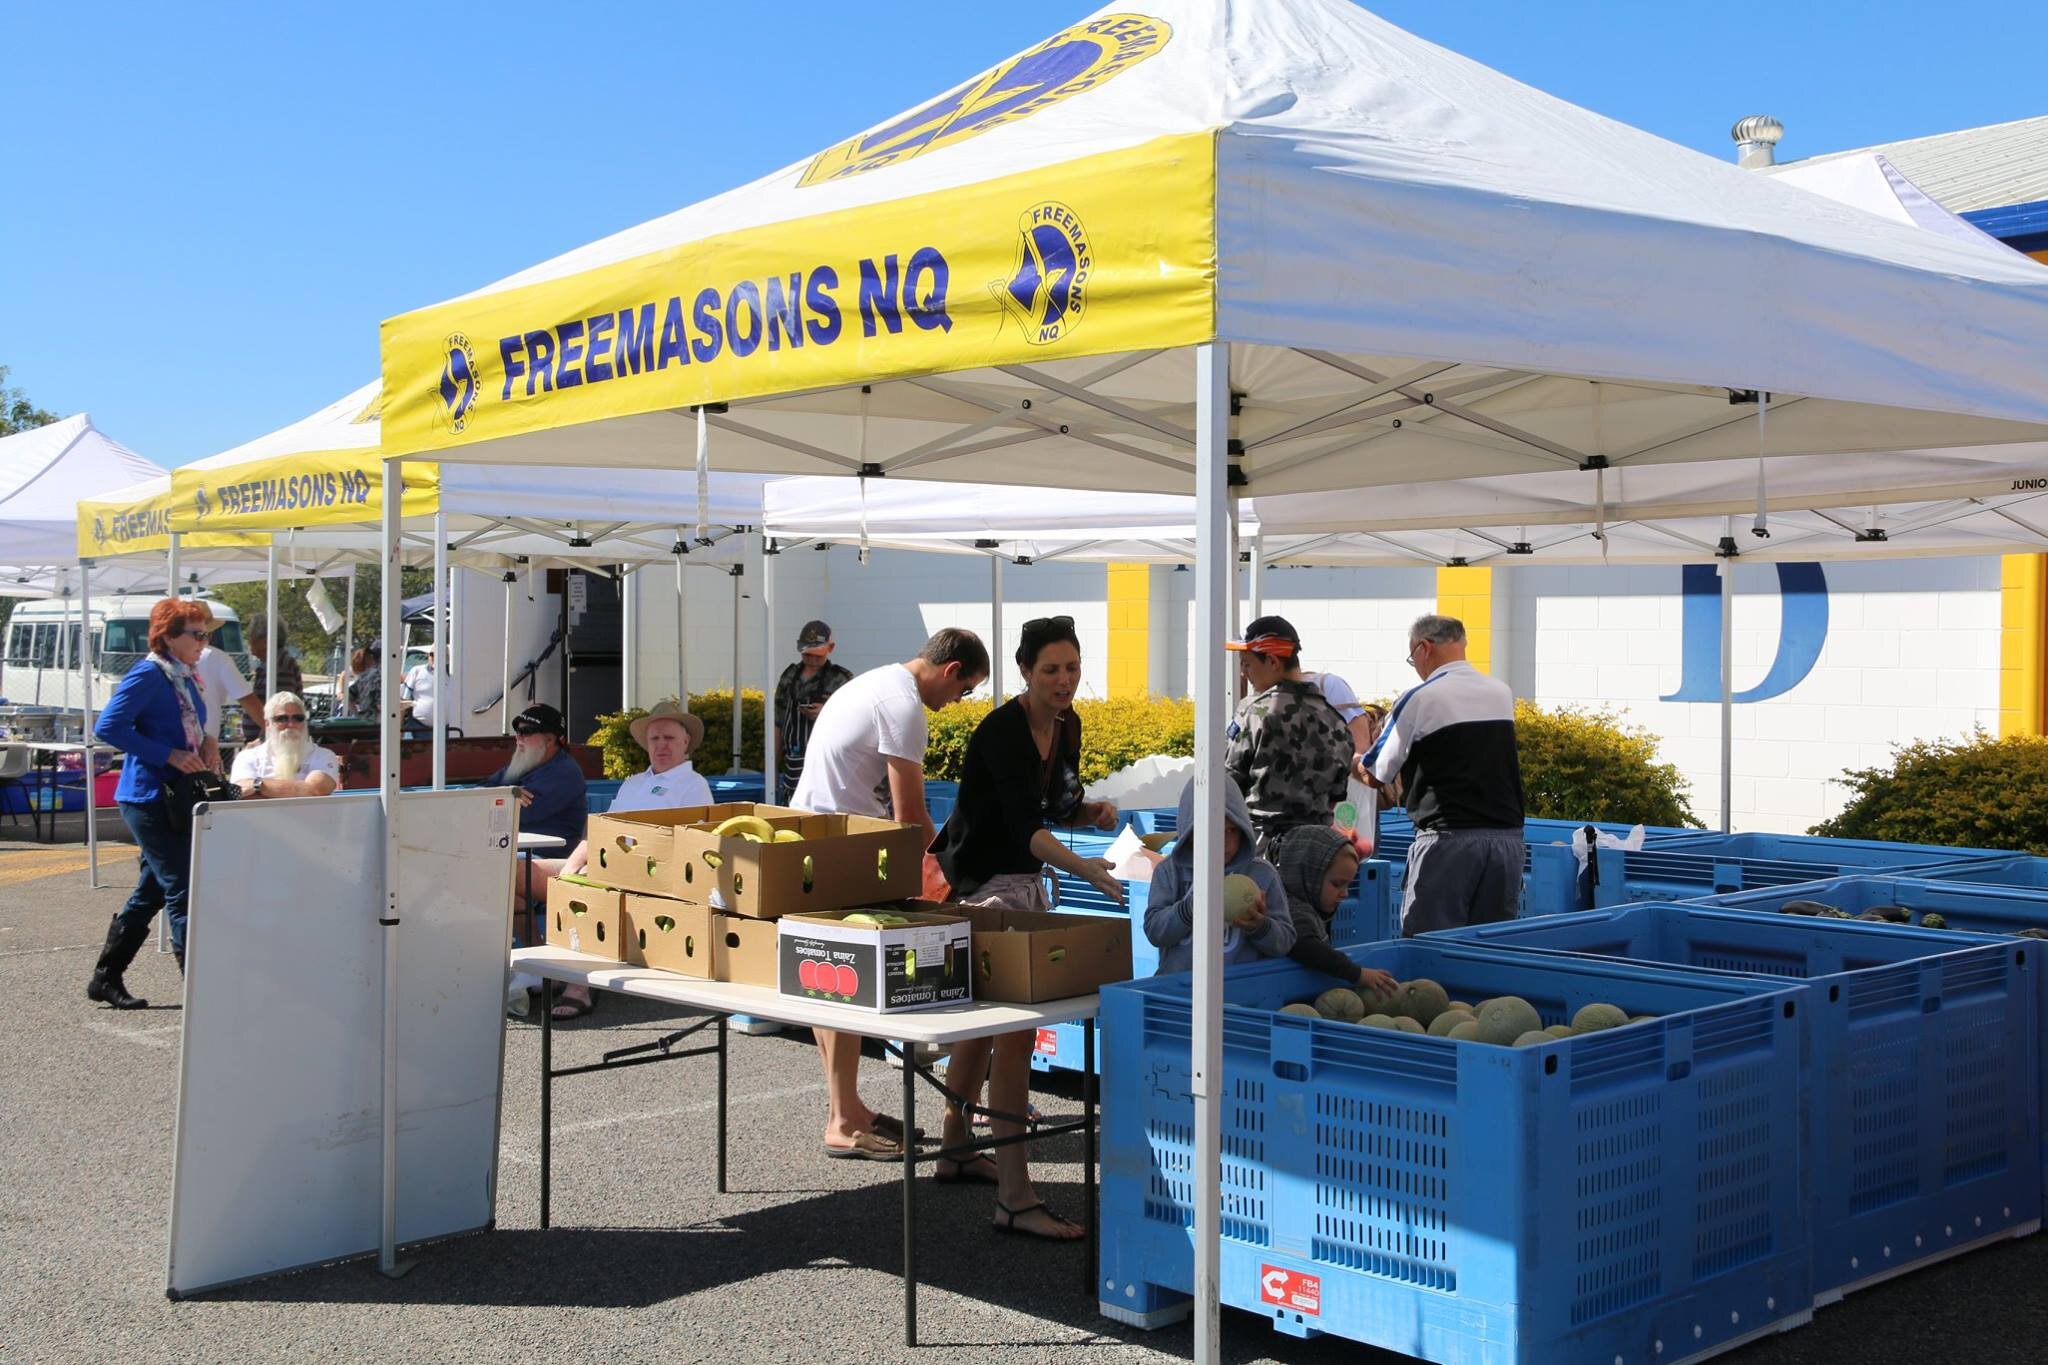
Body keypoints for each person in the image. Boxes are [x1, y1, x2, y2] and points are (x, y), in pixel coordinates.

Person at [927, 616, 1123, 1240]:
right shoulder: (1001, 731)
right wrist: (1084, 868)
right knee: (1014, 1034)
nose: (1064, 681)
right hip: (981, 887)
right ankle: (1014, 1196)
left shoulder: (1067, 724)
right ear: (1024, 672)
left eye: (1072, 668)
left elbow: (1058, 804)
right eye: (1050, 670)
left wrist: (1092, 812)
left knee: (988, 1030)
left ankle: (956, 1147)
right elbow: (1023, 827)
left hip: (1021, 882)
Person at [792, 627, 989, 1161]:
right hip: (843, 848)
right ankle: (841, 1119)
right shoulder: (905, 707)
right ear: (951, 670)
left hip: (814, 839)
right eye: (964, 690)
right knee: (843, 982)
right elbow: (910, 817)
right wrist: (950, 878)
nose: (957, 701)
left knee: (825, 980)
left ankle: (846, 1108)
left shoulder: (875, 682)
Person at [513, 699, 704, 1019]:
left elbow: (687, 847)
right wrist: (574, 862)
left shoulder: (693, 785)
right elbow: (600, 829)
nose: (661, 745)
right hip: (606, 865)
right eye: (655, 738)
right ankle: (543, 965)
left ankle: (580, 987)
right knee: (512, 874)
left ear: (686, 742)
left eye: (669, 738)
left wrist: (588, 867)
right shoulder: (634, 782)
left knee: (583, 883)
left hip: (649, 877)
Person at [1362, 614, 1525, 933]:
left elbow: (1375, 774)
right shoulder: (1500, 692)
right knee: (1490, 945)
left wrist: (1351, 756)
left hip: (1448, 841)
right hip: (1507, 842)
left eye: (1412, 658)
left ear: (1423, 648)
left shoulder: (1420, 697)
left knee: (1428, 945)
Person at [87, 597, 215, 1005]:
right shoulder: (149, 673)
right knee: (182, 888)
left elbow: (186, 727)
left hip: (174, 796)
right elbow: (108, 726)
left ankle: (105, 978)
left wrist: (209, 742)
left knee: (154, 891)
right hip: (148, 797)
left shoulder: (184, 675)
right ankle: (199, 992)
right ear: (169, 637)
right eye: (197, 635)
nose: (204, 642)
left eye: (206, 635)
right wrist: (167, 755)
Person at [1223, 615, 1354, 853]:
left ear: (1272, 661)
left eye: (1247, 664)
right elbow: (1336, 794)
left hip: (1259, 846)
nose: (1243, 674)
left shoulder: (1254, 712)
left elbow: (1228, 783)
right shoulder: (1335, 720)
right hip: (1318, 850)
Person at [1144, 776, 1296, 975]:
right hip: (1181, 987)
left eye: (1232, 830)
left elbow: (1285, 943)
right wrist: (1189, 909)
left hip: (1241, 988)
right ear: (1190, 834)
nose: (1224, 841)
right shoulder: (1170, 871)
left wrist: (1260, 926)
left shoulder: (1262, 875)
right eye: (1213, 830)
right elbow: (1154, 932)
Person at [1274, 824, 1400, 996]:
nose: (1345, 893)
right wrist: (1357, 974)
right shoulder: (1292, 911)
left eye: (1348, 885)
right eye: (1337, 884)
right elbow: (1306, 947)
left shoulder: (1311, 908)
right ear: (1310, 875)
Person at [773, 619, 854, 804]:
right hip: (793, 762)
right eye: (807, 655)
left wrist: (826, 713)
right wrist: (773, 766)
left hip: (828, 763)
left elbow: (854, 722)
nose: (812, 660)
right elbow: (777, 722)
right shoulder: (789, 676)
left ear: (830, 648)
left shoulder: (841, 678)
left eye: (818, 655)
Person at [229, 692, 341, 799]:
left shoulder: (323, 755)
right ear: (268, 724)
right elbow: (243, 794)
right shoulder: (247, 757)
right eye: (282, 719)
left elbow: (315, 790)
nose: (291, 724)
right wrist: (300, 789)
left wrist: (259, 786)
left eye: (298, 718)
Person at [189, 604, 264, 757]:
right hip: (204, 744)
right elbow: (246, 698)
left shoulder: (162, 659)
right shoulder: (216, 657)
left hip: (171, 745)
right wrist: (271, 729)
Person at [241, 616, 303, 740]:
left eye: (250, 637)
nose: (248, 642)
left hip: (271, 742)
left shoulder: (280, 666)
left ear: (265, 642)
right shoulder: (269, 665)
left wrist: (262, 739)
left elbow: (283, 708)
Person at [400, 644, 439, 737]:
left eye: (440, 655)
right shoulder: (417, 671)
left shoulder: (452, 674)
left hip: (448, 729)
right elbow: (404, 700)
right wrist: (400, 729)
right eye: (432, 654)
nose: (434, 658)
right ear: (428, 655)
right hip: (419, 728)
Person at [344, 644, 380, 719]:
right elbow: (380, 704)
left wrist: (357, 715)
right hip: (378, 720)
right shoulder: (378, 675)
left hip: (366, 719)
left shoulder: (362, 679)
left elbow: (347, 697)